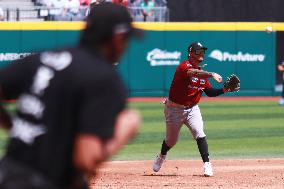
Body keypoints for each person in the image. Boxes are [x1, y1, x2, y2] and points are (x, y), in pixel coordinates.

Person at [0, 2, 142, 189]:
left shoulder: (46, 57)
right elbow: (86, 158)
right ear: (117, 37)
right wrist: (124, 131)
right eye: (127, 39)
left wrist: (14, 126)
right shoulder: (105, 79)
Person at [152, 42, 237, 177]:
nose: (202, 54)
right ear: (191, 54)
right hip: (174, 110)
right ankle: (161, 156)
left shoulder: (202, 76)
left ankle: (207, 164)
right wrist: (211, 74)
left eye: (203, 52)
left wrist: (224, 90)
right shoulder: (184, 67)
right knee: (171, 141)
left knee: (199, 133)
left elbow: (209, 92)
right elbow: (193, 72)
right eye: (199, 51)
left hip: (192, 109)